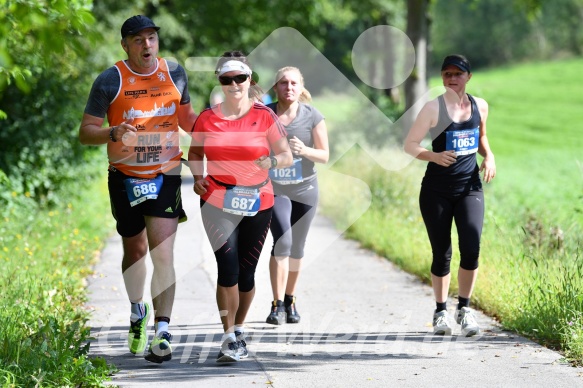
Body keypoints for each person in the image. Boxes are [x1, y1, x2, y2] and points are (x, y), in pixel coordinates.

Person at [79, 15, 198, 363]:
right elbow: (86, 131)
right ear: (125, 45)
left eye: (151, 38)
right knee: (136, 252)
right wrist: (112, 132)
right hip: (125, 177)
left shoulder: (174, 74)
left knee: (163, 253)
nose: (147, 45)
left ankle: (162, 331)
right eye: (138, 40)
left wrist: (227, 124)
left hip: (166, 173)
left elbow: (189, 120)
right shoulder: (110, 80)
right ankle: (137, 312)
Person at [188, 51, 292, 362]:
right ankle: (229, 335)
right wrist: (197, 177)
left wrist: (272, 160)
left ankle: (239, 327)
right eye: (226, 79)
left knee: (247, 275)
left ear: (250, 81)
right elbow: (195, 154)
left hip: (259, 200)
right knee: (228, 268)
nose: (234, 84)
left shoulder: (264, 116)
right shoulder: (208, 118)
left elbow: (286, 155)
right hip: (217, 199)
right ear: (220, 82)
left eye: (240, 78)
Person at [403, 54, 496, 337]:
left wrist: (489, 156)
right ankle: (441, 310)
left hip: (470, 187)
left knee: (472, 246)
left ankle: (464, 308)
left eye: (458, 73)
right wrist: (433, 155)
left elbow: (481, 138)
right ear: (442, 78)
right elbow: (410, 144)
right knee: (442, 252)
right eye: (447, 74)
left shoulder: (480, 106)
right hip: (436, 191)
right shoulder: (434, 108)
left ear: (469, 76)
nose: (452, 78)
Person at [264, 67, 329, 325]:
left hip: (305, 188)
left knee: (298, 247)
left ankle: (290, 300)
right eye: (282, 83)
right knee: (283, 240)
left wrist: (305, 150)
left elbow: (324, 155)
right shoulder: (265, 115)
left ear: (301, 87)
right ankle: (276, 304)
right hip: (276, 188)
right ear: (275, 88)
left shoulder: (312, 116)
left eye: (293, 83)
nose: (288, 87)